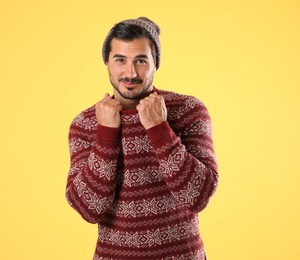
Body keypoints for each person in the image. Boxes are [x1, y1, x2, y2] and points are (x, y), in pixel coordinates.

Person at [65, 17, 219, 260]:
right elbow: (89, 208)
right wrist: (106, 135)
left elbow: (198, 195)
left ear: (155, 63)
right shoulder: (85, 124)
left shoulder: (188, 110)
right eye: (120, 60)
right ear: (107, 62)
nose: (131, 72)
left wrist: (159, 128)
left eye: (141, 60)